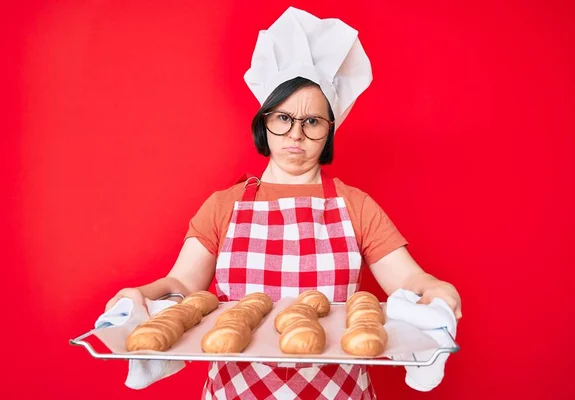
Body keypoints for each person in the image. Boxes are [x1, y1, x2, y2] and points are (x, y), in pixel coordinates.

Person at [106, 7, 462, 399]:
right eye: (283, 118)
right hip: (234, 391)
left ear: (330, 130)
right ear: (265, 122)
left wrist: (434, 290)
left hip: (338, 391)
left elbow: (408, 280)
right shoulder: (223, 205)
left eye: (312, 122)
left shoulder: (355, 205)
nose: (296, 134)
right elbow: (183, 284)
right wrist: (145, 294)